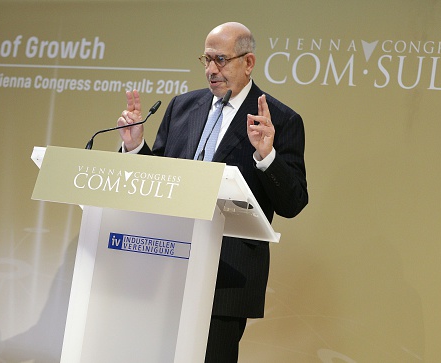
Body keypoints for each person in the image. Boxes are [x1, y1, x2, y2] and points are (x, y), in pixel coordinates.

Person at [117, 22, 308, 363]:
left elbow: (292, 202)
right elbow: (161, 180)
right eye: (206, 59)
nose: (210, 70)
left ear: (248, 63)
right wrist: (134, 148)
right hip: (166, 265)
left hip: (226, 276)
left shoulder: (281, 121)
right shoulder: (182, 107)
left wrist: (267, 156)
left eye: (220, 59)